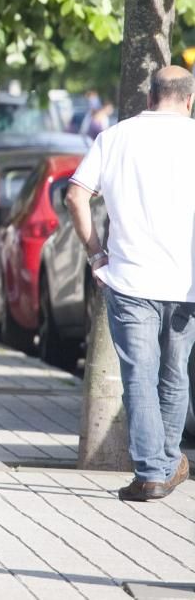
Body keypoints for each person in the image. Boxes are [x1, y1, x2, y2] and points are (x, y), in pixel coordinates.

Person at [66, 65, 195, 502]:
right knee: (175, 374)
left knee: (140, 375)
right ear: (190, 99)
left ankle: (152, 472)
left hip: (130, 278)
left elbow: (75, 194)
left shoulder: (115, 137)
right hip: (187, 283)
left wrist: (95, 253)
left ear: (150, 97)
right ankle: (166, 461)